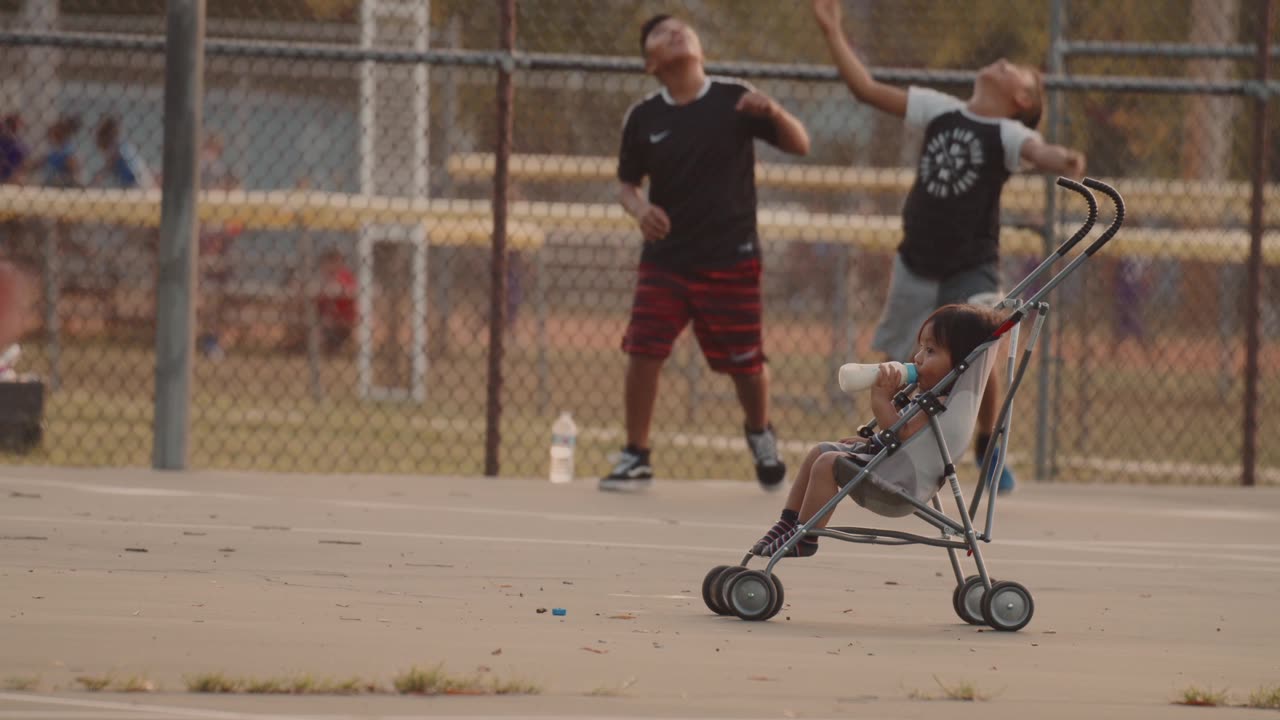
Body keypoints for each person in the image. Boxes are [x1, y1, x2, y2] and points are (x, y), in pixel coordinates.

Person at [811, 0, 1086, 494]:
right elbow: (866, 90)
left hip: (971, 266)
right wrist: (833, 32)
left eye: (1013, 70)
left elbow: (1039, 152)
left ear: (1021, 99)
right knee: (903, 359)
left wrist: (1062, 157)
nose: (1001, 63)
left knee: (984, 349)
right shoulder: (940, 108)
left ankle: (989, 445)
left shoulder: (1008, 131)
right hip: (916, 261)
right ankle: (896, 440)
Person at [601, 14, 811, 493]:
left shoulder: (734, 98)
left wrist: (775, 111)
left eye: (681, 26)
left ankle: (760, 432)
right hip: (666, 258)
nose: (675, 31)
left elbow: (801, 144)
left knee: (746, 362)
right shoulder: (644, 116)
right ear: (650, 62)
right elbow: (626, 184)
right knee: (643, 348)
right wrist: (640, 209)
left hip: (730, 258)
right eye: (660, 32)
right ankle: (636, 454)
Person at [752, 303, 1004, 558]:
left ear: (961, 364)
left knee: (828, 463)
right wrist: (872, 442)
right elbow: (903, 439)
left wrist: (881, 401)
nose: (917, 358)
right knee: (820, 451)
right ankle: (788, 522)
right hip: (892, 468)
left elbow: (904, 434)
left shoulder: (939, 405)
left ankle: (805, 537)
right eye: (920, 348)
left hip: (898, 485)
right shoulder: (930, 397)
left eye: (930, 351)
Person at [315, 248, 357, 355]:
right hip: (327, 316)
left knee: (326, 323)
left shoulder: (345, 275)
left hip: (345, 316)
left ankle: (333, 347)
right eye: (329, 262)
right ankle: (324, 348)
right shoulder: (323, 276)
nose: (330, 266)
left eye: (334, 261)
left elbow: (352, 291)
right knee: (320, 321)